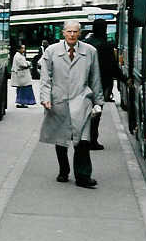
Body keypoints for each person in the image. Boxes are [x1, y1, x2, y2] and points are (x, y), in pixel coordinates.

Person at [39, 20, 103, 188]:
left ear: (80, 33)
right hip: (58, 101)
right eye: (69, 31)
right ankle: (64, 170)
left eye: (75, 32)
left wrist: (98, 102)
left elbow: (95, 78)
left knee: (83, 141)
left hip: (82, 101)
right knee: (61, 139)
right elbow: (45, 78)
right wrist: (45, 97)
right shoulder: (51, 51)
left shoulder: (90, 51)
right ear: (63, 33)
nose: (72, 35)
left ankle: (83, 176)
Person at [85, 18, 118, 150]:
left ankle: (82, 137)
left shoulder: (85, 43)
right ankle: (92, 140)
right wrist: (125, 79)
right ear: (104, 29)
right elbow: (113, 66)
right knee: (96, 111)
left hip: (84, 83)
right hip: (101, 83)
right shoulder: (106, 45)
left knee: (84, 111)